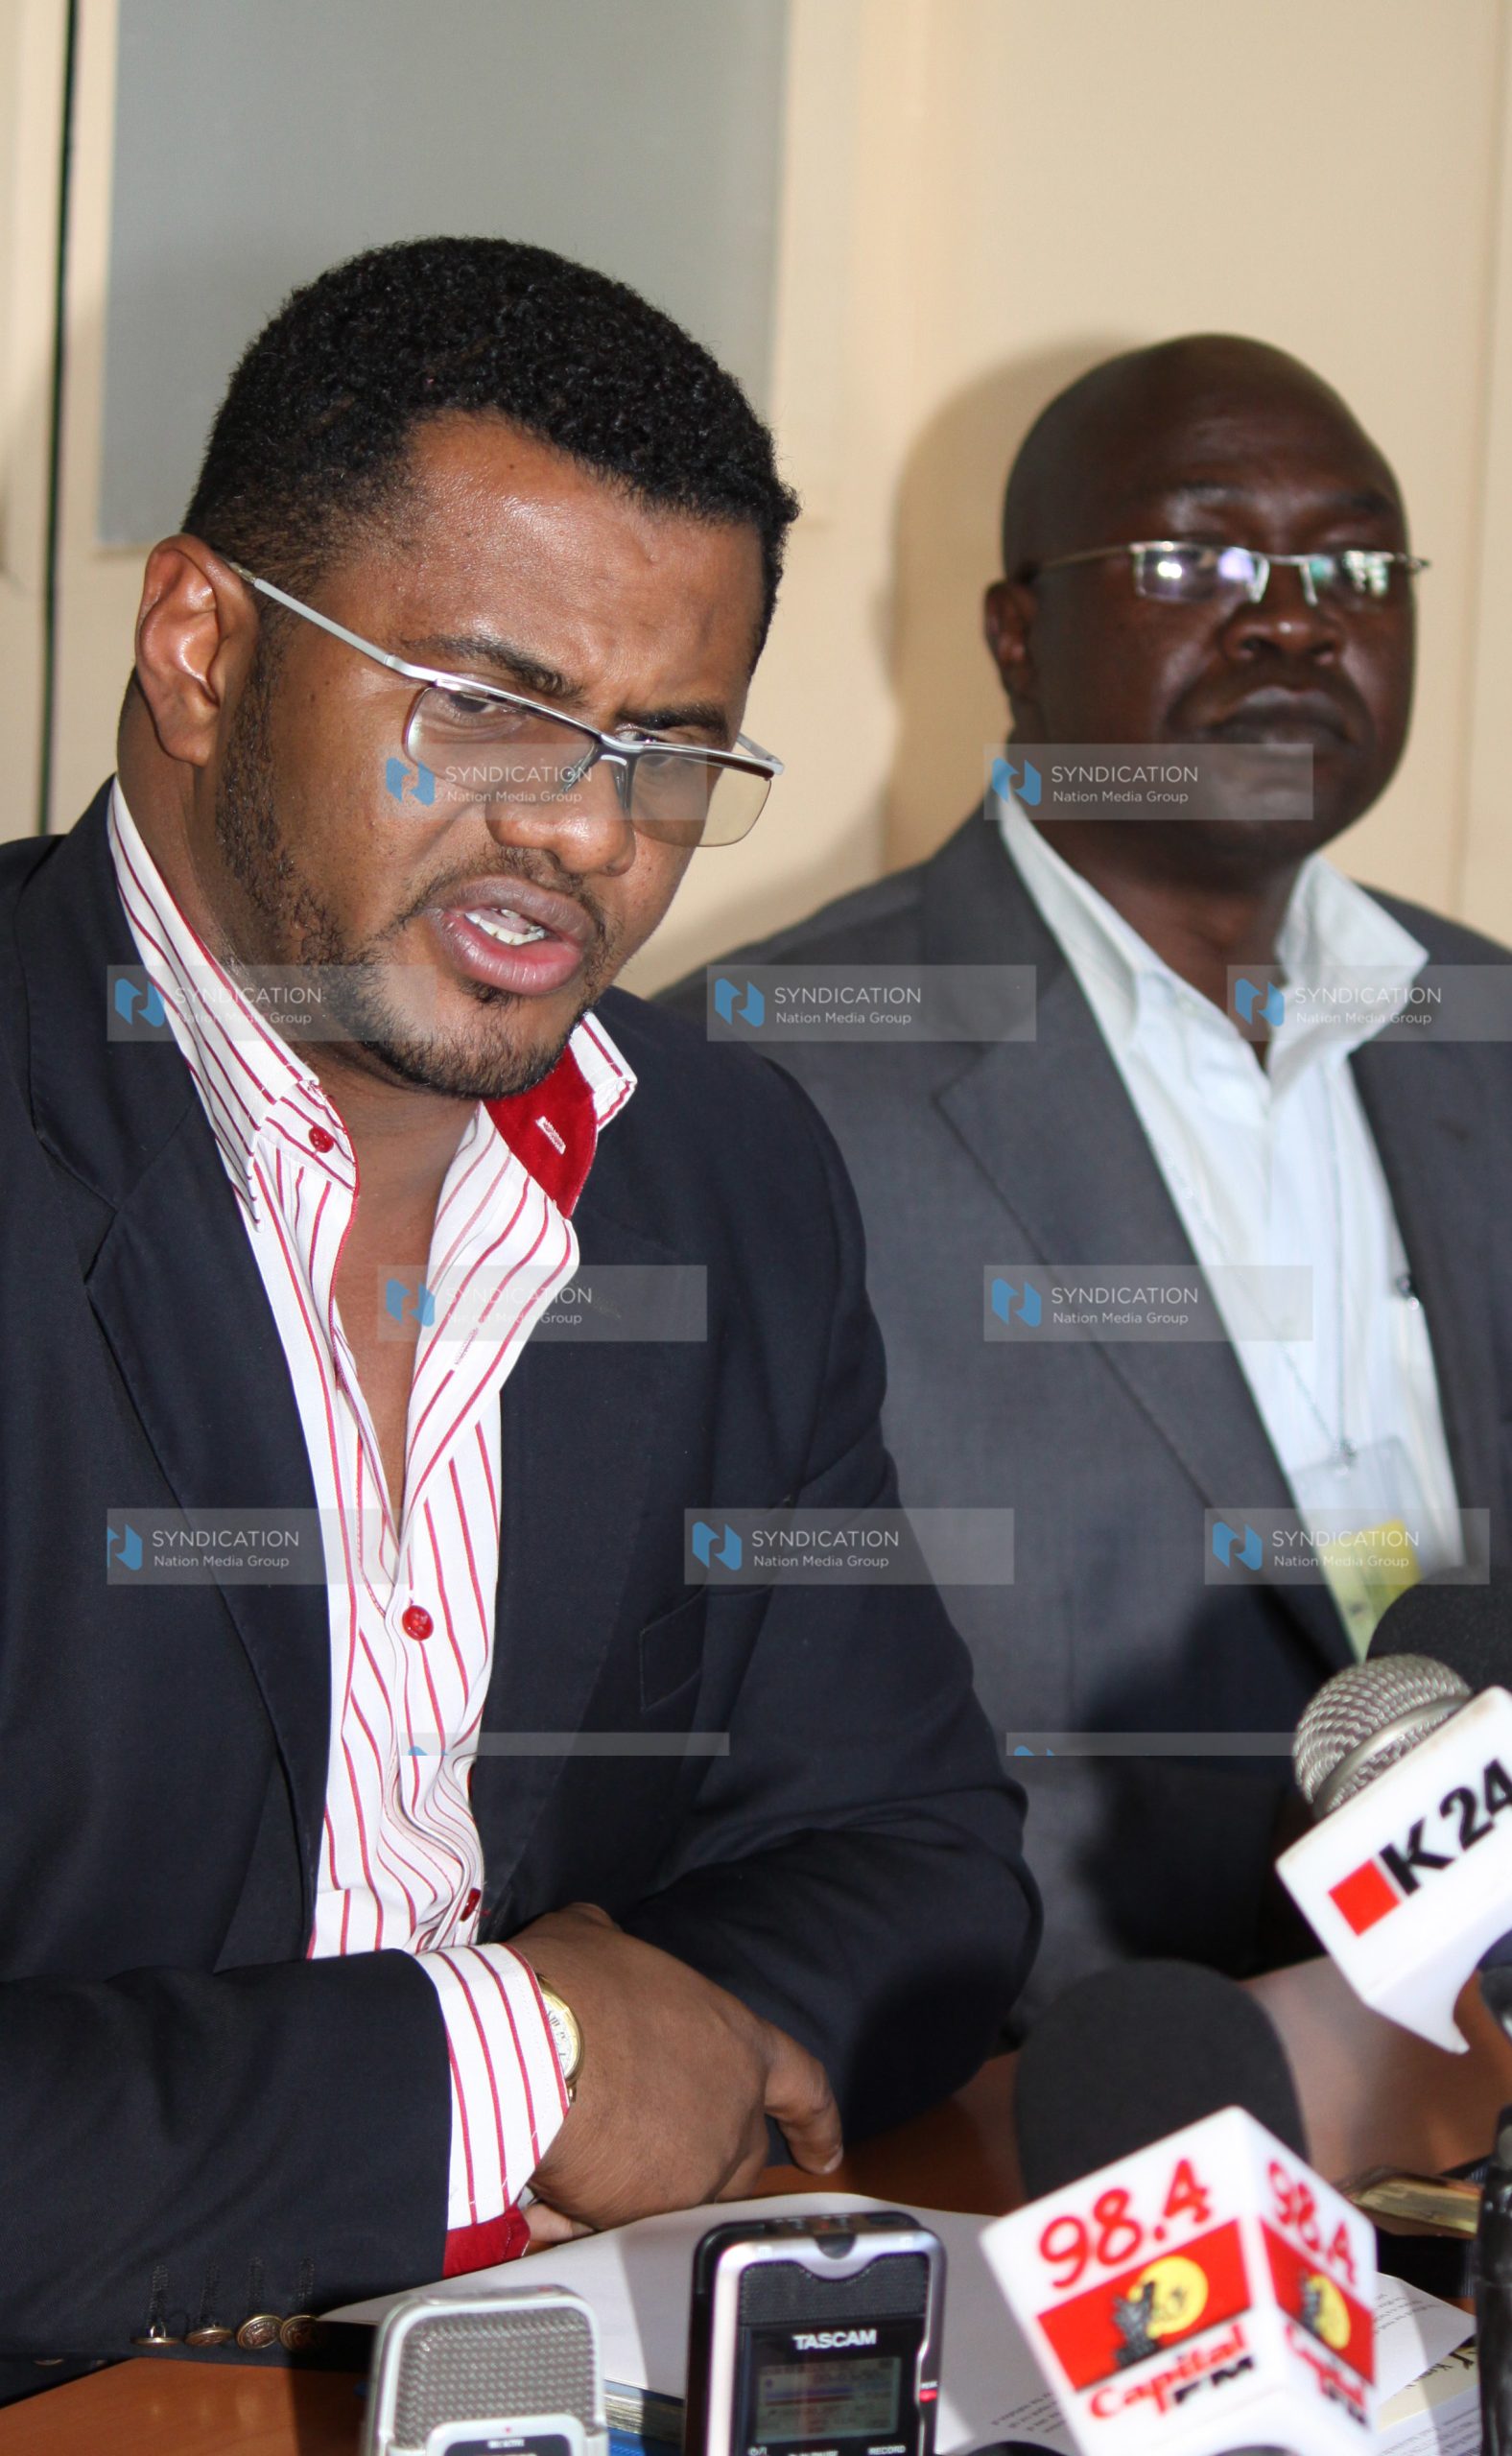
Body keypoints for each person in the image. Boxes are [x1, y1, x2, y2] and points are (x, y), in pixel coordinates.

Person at [0, 237, 1036, 2396]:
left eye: (673, 749)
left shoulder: (720, 1173)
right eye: (485, 705)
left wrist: (654, 2049)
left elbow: (914, 1864)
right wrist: (517, 2061)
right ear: (199, 645)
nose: (582, 827)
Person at [667, 334, 1512, 2014]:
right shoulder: (757, 1076)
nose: (1293, 615)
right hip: (1018, 2131)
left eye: (1351, 560)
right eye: (1198, 558)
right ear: (1016, 633)